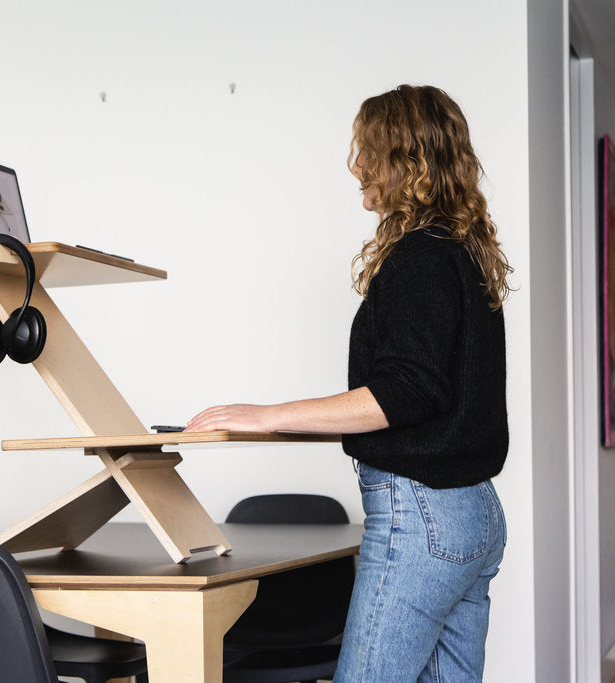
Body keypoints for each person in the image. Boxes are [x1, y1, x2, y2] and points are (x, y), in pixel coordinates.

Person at [185, 84, 510, 681]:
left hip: (423, 515)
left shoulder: (420, 257)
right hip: (474, 512)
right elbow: (435, 395)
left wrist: (268, 416)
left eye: (367, 151)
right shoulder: (462, 253)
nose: (355, 166)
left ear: (404, 159)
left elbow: (404, 393)